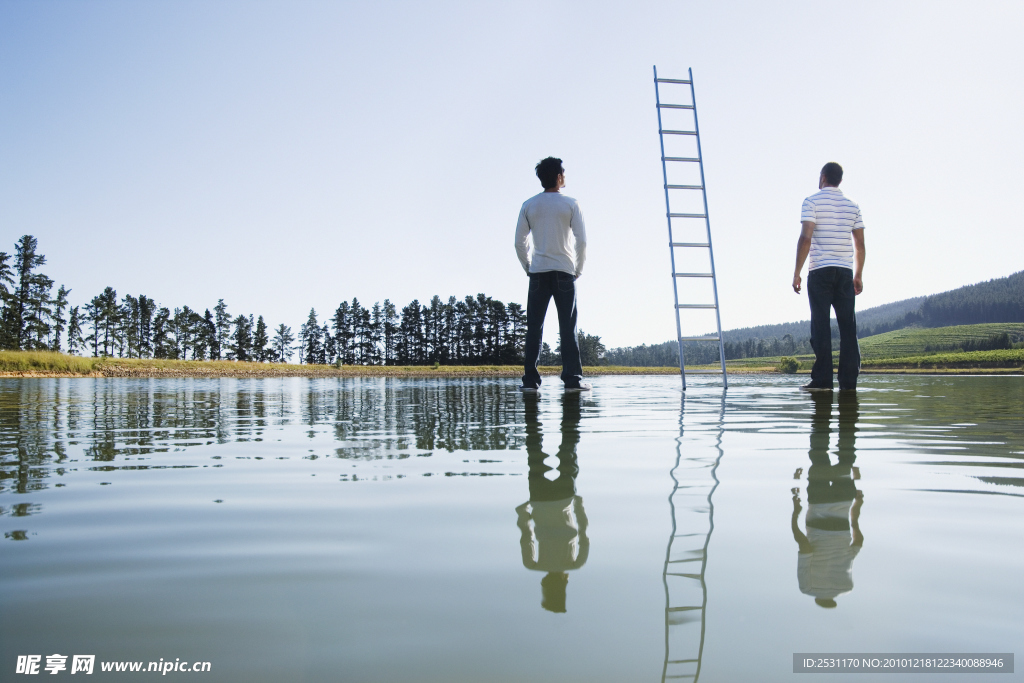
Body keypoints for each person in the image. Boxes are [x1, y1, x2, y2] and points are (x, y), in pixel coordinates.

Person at [515, 157, 590, 392]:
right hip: (565, 272)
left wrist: (529, 267)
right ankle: (572, 380)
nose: (565, 176)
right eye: (563, 173)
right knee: (568, 328)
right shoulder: (571, 204)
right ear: (558, 177)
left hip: (538, 272)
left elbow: (519, 243)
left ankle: (530, 382)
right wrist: (578, 268)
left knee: (534, 328)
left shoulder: (529, 205)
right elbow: (582, 241)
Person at [792, 162, 866, 391]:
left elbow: (806, 238)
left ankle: (823, 380)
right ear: (840, 180)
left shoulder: (811, 201)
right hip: (844, 272)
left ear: (823, 177)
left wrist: (797, 272)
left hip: (820, 271)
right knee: (848, 328)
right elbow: (860, 245)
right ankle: (848, 382)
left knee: (821, 325)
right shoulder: (853, 206)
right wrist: (858, 275)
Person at [514, 393, 589, 612]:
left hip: (564, 497)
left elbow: (584, 531)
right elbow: (526, 534)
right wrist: (523, 511)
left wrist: (578, 504)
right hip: (540, 499)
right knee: (534, 448)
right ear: (544, 585)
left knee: (568, 448)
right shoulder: (532, 565)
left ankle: (570, 410)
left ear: (564, 585)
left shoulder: (576, 564)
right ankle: (534, 411)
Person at [791, 391, 864, 608]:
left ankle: (847, 408)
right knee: (819, 453)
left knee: (846, 453)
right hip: (819, 505)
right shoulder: (807, 588)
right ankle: (821, 409)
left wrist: (856, 507)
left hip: (843, 504)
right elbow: (805, 546)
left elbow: (858, 542)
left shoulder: (846, 587)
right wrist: (795, 511)